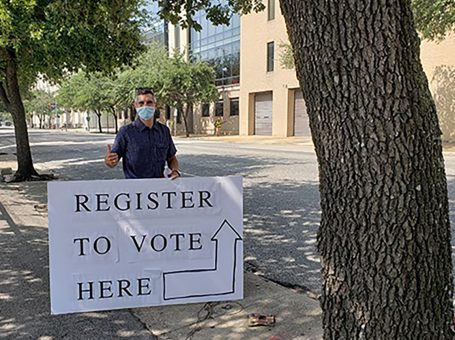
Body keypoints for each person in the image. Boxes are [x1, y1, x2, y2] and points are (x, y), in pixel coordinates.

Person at [105, 88, 180, 180]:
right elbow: (112, 161)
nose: (145, 106)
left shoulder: (164, 131)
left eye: (149, 102)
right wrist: (109, 161)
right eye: (141, 103)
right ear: (135, 106)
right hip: (135, 190)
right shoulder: (125, 132)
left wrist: (175, 171)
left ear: (155, 105)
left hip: (160, 188)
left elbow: (171, 158)